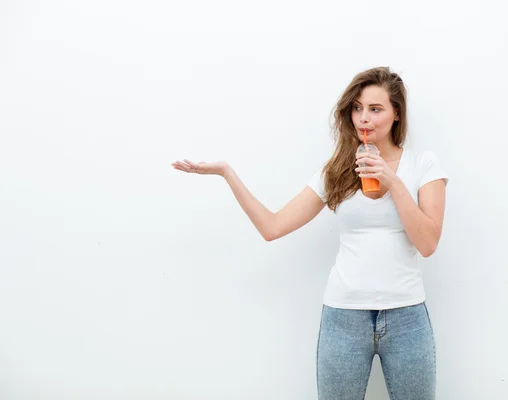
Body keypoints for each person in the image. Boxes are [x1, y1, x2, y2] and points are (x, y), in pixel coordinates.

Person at [172, 66, 448, 400]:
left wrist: (393, 182)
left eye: (375, 109)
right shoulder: (336, 171)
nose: (364, 118)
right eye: (357, 108)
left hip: (407, 316)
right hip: (344, 318)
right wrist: (227, 173)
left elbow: (428, 242)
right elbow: (272, 227)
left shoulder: (424, 164)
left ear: (396, 115)